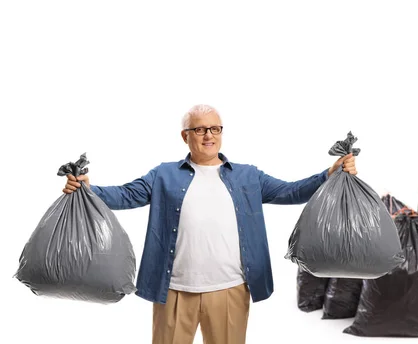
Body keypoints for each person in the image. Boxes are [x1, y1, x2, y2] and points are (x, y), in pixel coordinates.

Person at [63, 104, 357, 344]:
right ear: (185, 136)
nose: (208, 135)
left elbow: (291, 191)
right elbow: (126, 195)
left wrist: (328, 175)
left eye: (215, 128)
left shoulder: (247, 176)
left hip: (229, 289)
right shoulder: (163, 175)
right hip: (174, 289)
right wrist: (88, 190)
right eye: (200, 129)